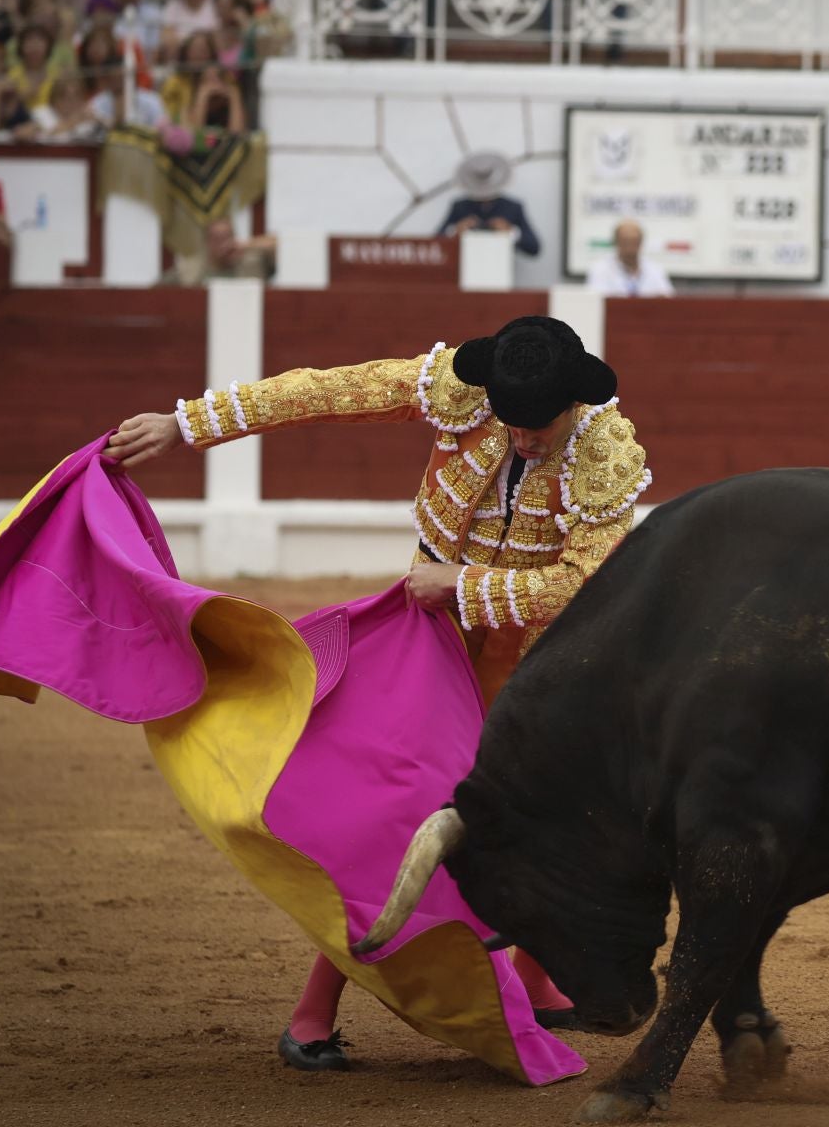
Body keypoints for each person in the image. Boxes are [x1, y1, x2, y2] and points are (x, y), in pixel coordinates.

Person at [104, 315, 650, 1070]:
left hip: (535, 657)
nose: (524, 438)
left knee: (541, 818)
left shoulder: (605, 452)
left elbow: (581, 582)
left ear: (574, 406)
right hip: (424, 636)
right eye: (511, 421)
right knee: (402, 812)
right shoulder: (458, 389)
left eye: (540, 424)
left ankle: (538, 980)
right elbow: (325, 394)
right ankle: (313, 1011)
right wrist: (185, 425)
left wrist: (462, 583)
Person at [437, 150, 539, 255]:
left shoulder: (512, 207)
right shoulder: (460, 207)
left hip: (501, 265)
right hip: (465, 264)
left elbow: (534, 247)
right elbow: (435, 242)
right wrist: (455, 231)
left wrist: (511, 232)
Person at [170, 214, 272, 282]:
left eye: (227, 237)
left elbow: (281, 245)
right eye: (217, 239)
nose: (224, 244)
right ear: (207, 242)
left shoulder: (253, 266)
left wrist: (246, 245)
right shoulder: (190, 271)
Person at [584, 218, 672, 297]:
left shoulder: (655, 270)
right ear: (616, 242)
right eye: (625, 241)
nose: (630, 246)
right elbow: (595, 302)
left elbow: (667, 299)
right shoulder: (600, 270)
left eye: (634, 241)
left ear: (641, 242)